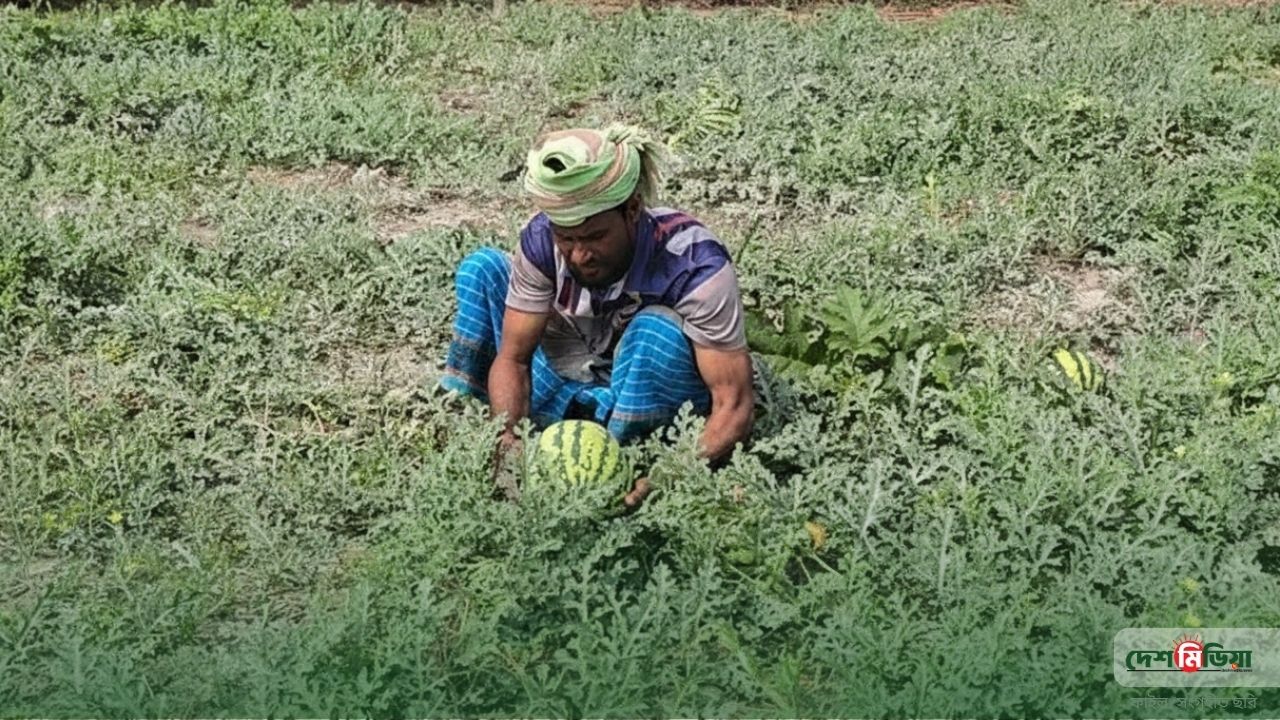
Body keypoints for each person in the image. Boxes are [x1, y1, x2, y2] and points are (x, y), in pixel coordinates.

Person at [439, 125, 755, 509]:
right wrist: (508, 438)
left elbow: (734, 406)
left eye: (594, 238)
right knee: (483, 270)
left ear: (633, 210)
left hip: (650, 386)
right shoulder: (541, 241)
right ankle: (489, 424)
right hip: (575, 364)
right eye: (567, 239)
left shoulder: (694, 263)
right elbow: (514, 358)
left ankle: (627, 450)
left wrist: (670, 473)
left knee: (654, 331)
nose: (579, 255)